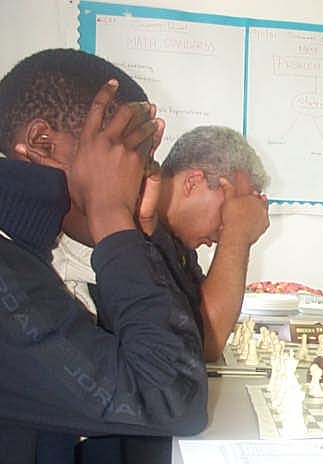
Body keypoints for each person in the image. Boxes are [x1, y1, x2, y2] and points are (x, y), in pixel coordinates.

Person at [0, 48, 323, 464]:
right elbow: (172, 395)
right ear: (42, 146)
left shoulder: (29, 252)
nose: (147, 179)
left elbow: (170, 354)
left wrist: (136, 227)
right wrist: (112, 215)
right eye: (127, 155)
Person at [54, 124, 271, 363]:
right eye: (229, 210)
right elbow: (203, 343)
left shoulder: (176, 246)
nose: (222, 231)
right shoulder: (123, 228)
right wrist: (238, 233)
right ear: (193, 182)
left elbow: (199, 324)